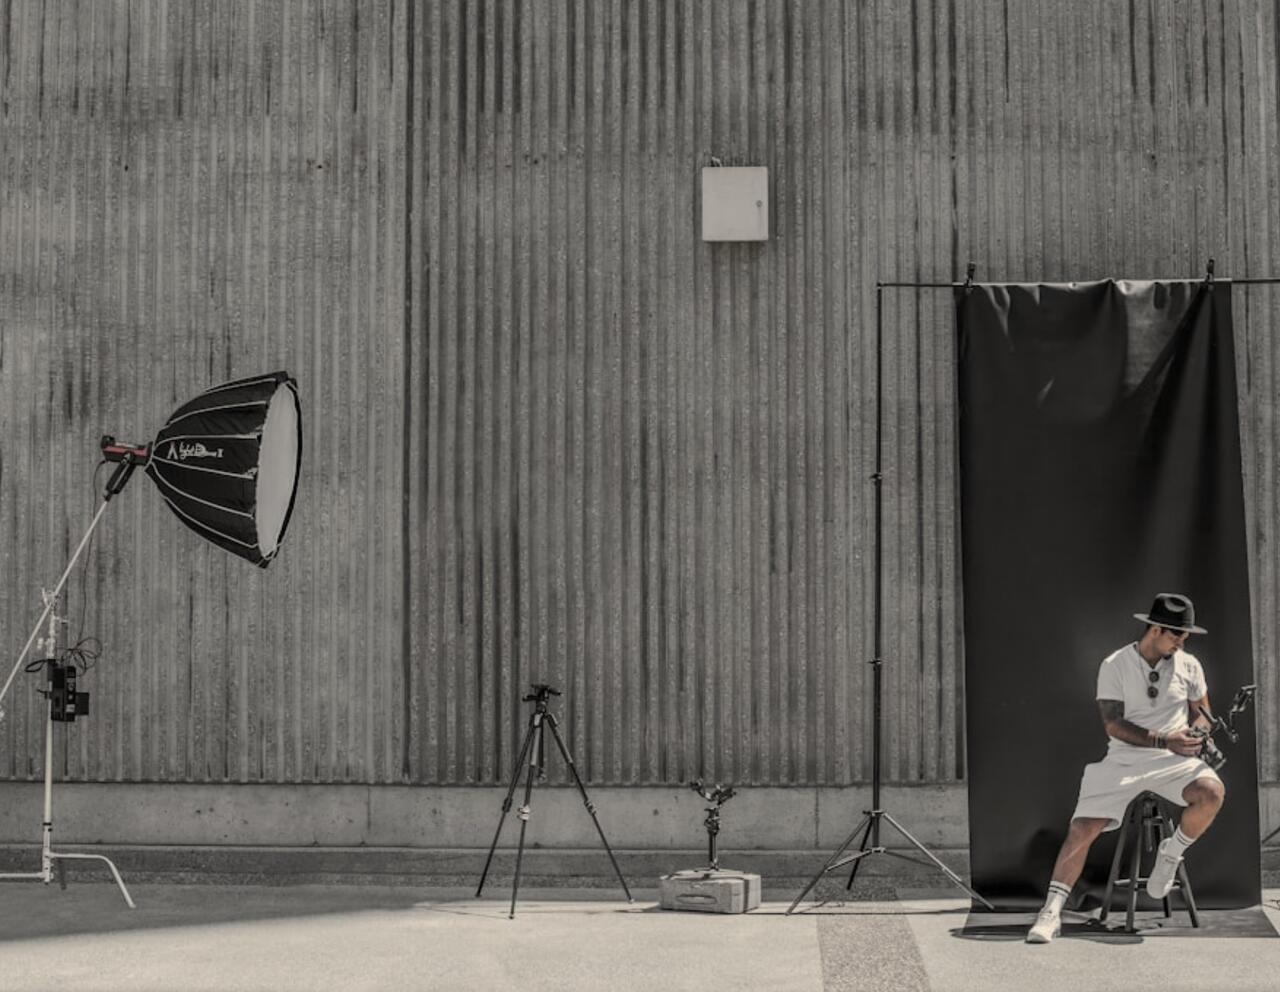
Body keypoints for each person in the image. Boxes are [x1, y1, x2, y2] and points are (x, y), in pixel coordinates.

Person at [1025, 593, 1225, 944]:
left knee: (1212, 791)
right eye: (1177, 635)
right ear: (1155, 629)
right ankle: (1051, 912)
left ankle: (1171, 853)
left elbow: (1203, 713)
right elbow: (1113, 724)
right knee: (1082, 827)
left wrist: (1198, 735)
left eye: (1185, 636)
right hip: (1124, 759)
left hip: (1174, 759)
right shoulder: (1115, 664)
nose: (1182, 642)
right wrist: (1165, 740)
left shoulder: (1189, 665)